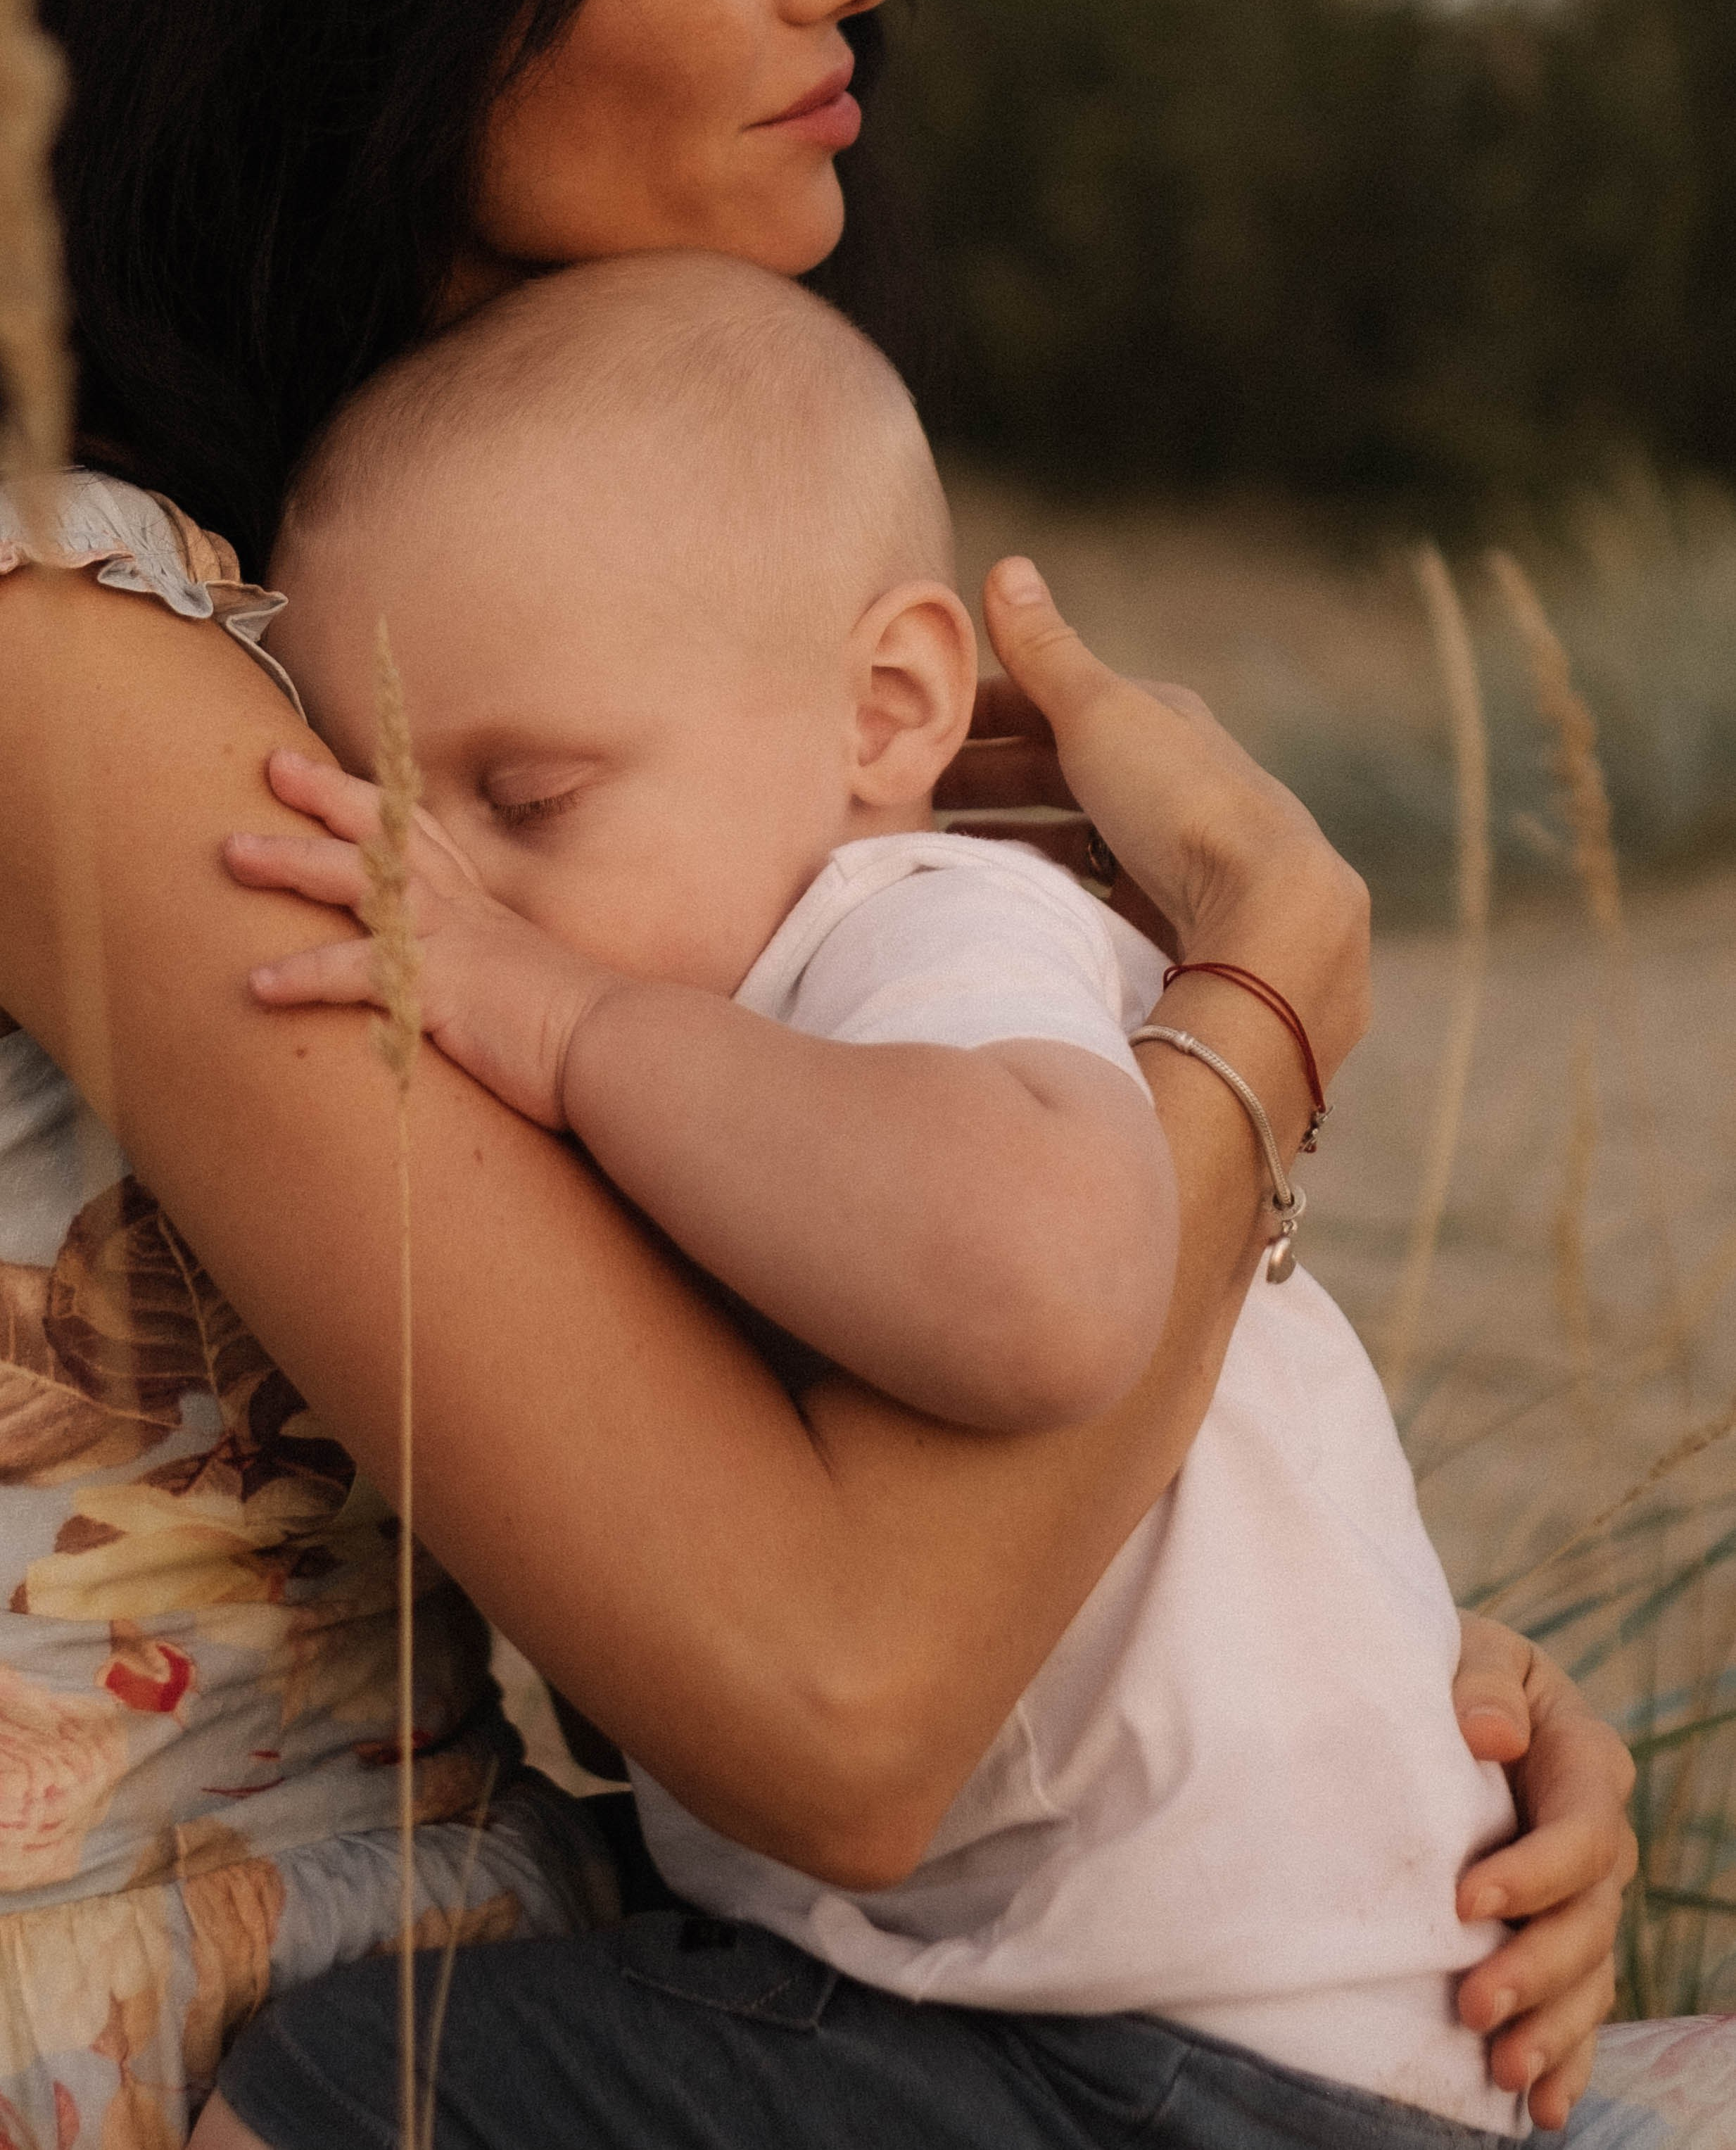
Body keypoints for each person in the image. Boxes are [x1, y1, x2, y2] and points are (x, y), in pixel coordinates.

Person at [0, 0, 1635, 2144]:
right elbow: (847, 1702)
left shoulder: (498, 648)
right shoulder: (75, 657)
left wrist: (1351, 1749)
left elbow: (887, 1464)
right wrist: (1267, 1005)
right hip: (265, 2052)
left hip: (588, 1975)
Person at [210, 246, 1537, 2138]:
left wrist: (570, 1022)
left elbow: (1057, 1276)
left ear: (885, 707)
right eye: (391, 811)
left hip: (1173, 2056)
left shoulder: (911, 938)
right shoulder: (751, 1021)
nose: (460, 903)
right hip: (1192, 2028)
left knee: (347, 2091)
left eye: (527, 800)